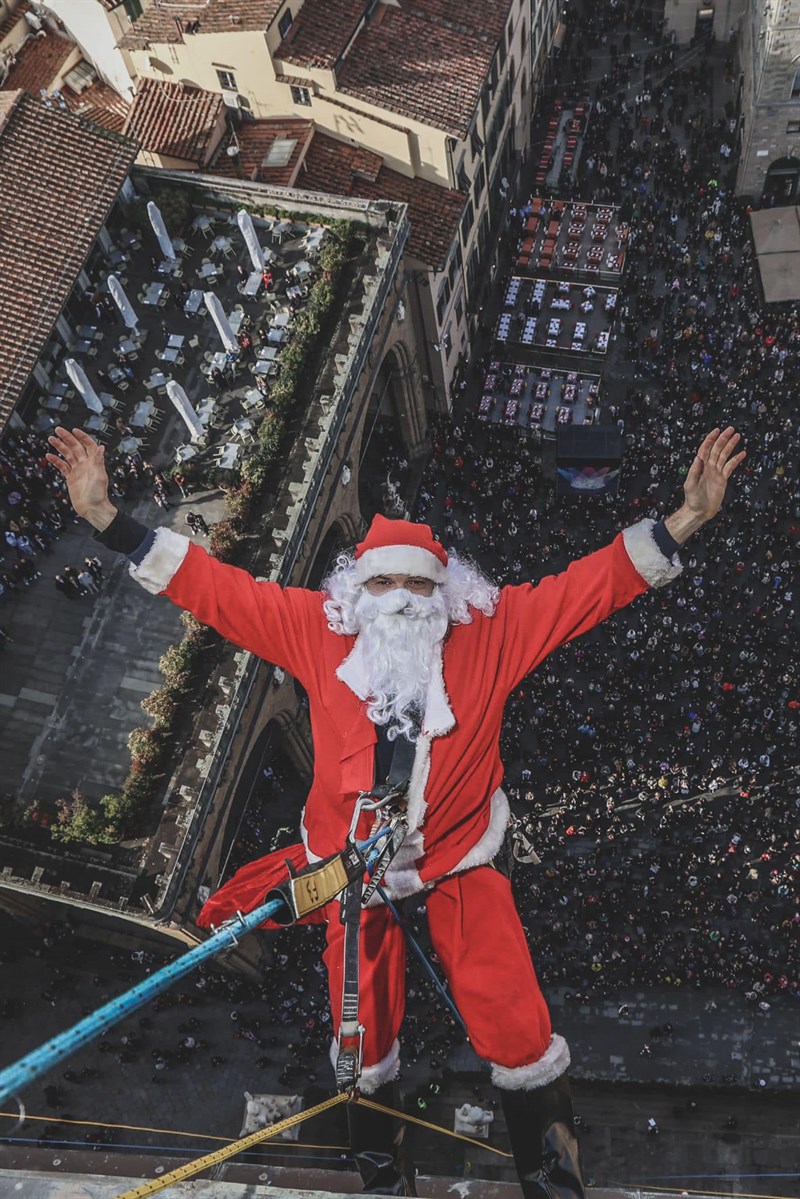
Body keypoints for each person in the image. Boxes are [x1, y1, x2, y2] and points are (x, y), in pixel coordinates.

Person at [45, 425, 745, 1199]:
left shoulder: (493, 632)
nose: (403, 602)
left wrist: (686, 520)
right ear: (357, 591)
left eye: (418, 587)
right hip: (350, 871)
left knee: (510, 1008)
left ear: (445, 593)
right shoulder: (317, 629)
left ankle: (550, 1170)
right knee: (361, 1024)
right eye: (385, 586)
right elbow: (218, 590)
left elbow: (590, 586)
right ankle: (378, 1161)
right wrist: (110, 518)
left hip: (455, 858)